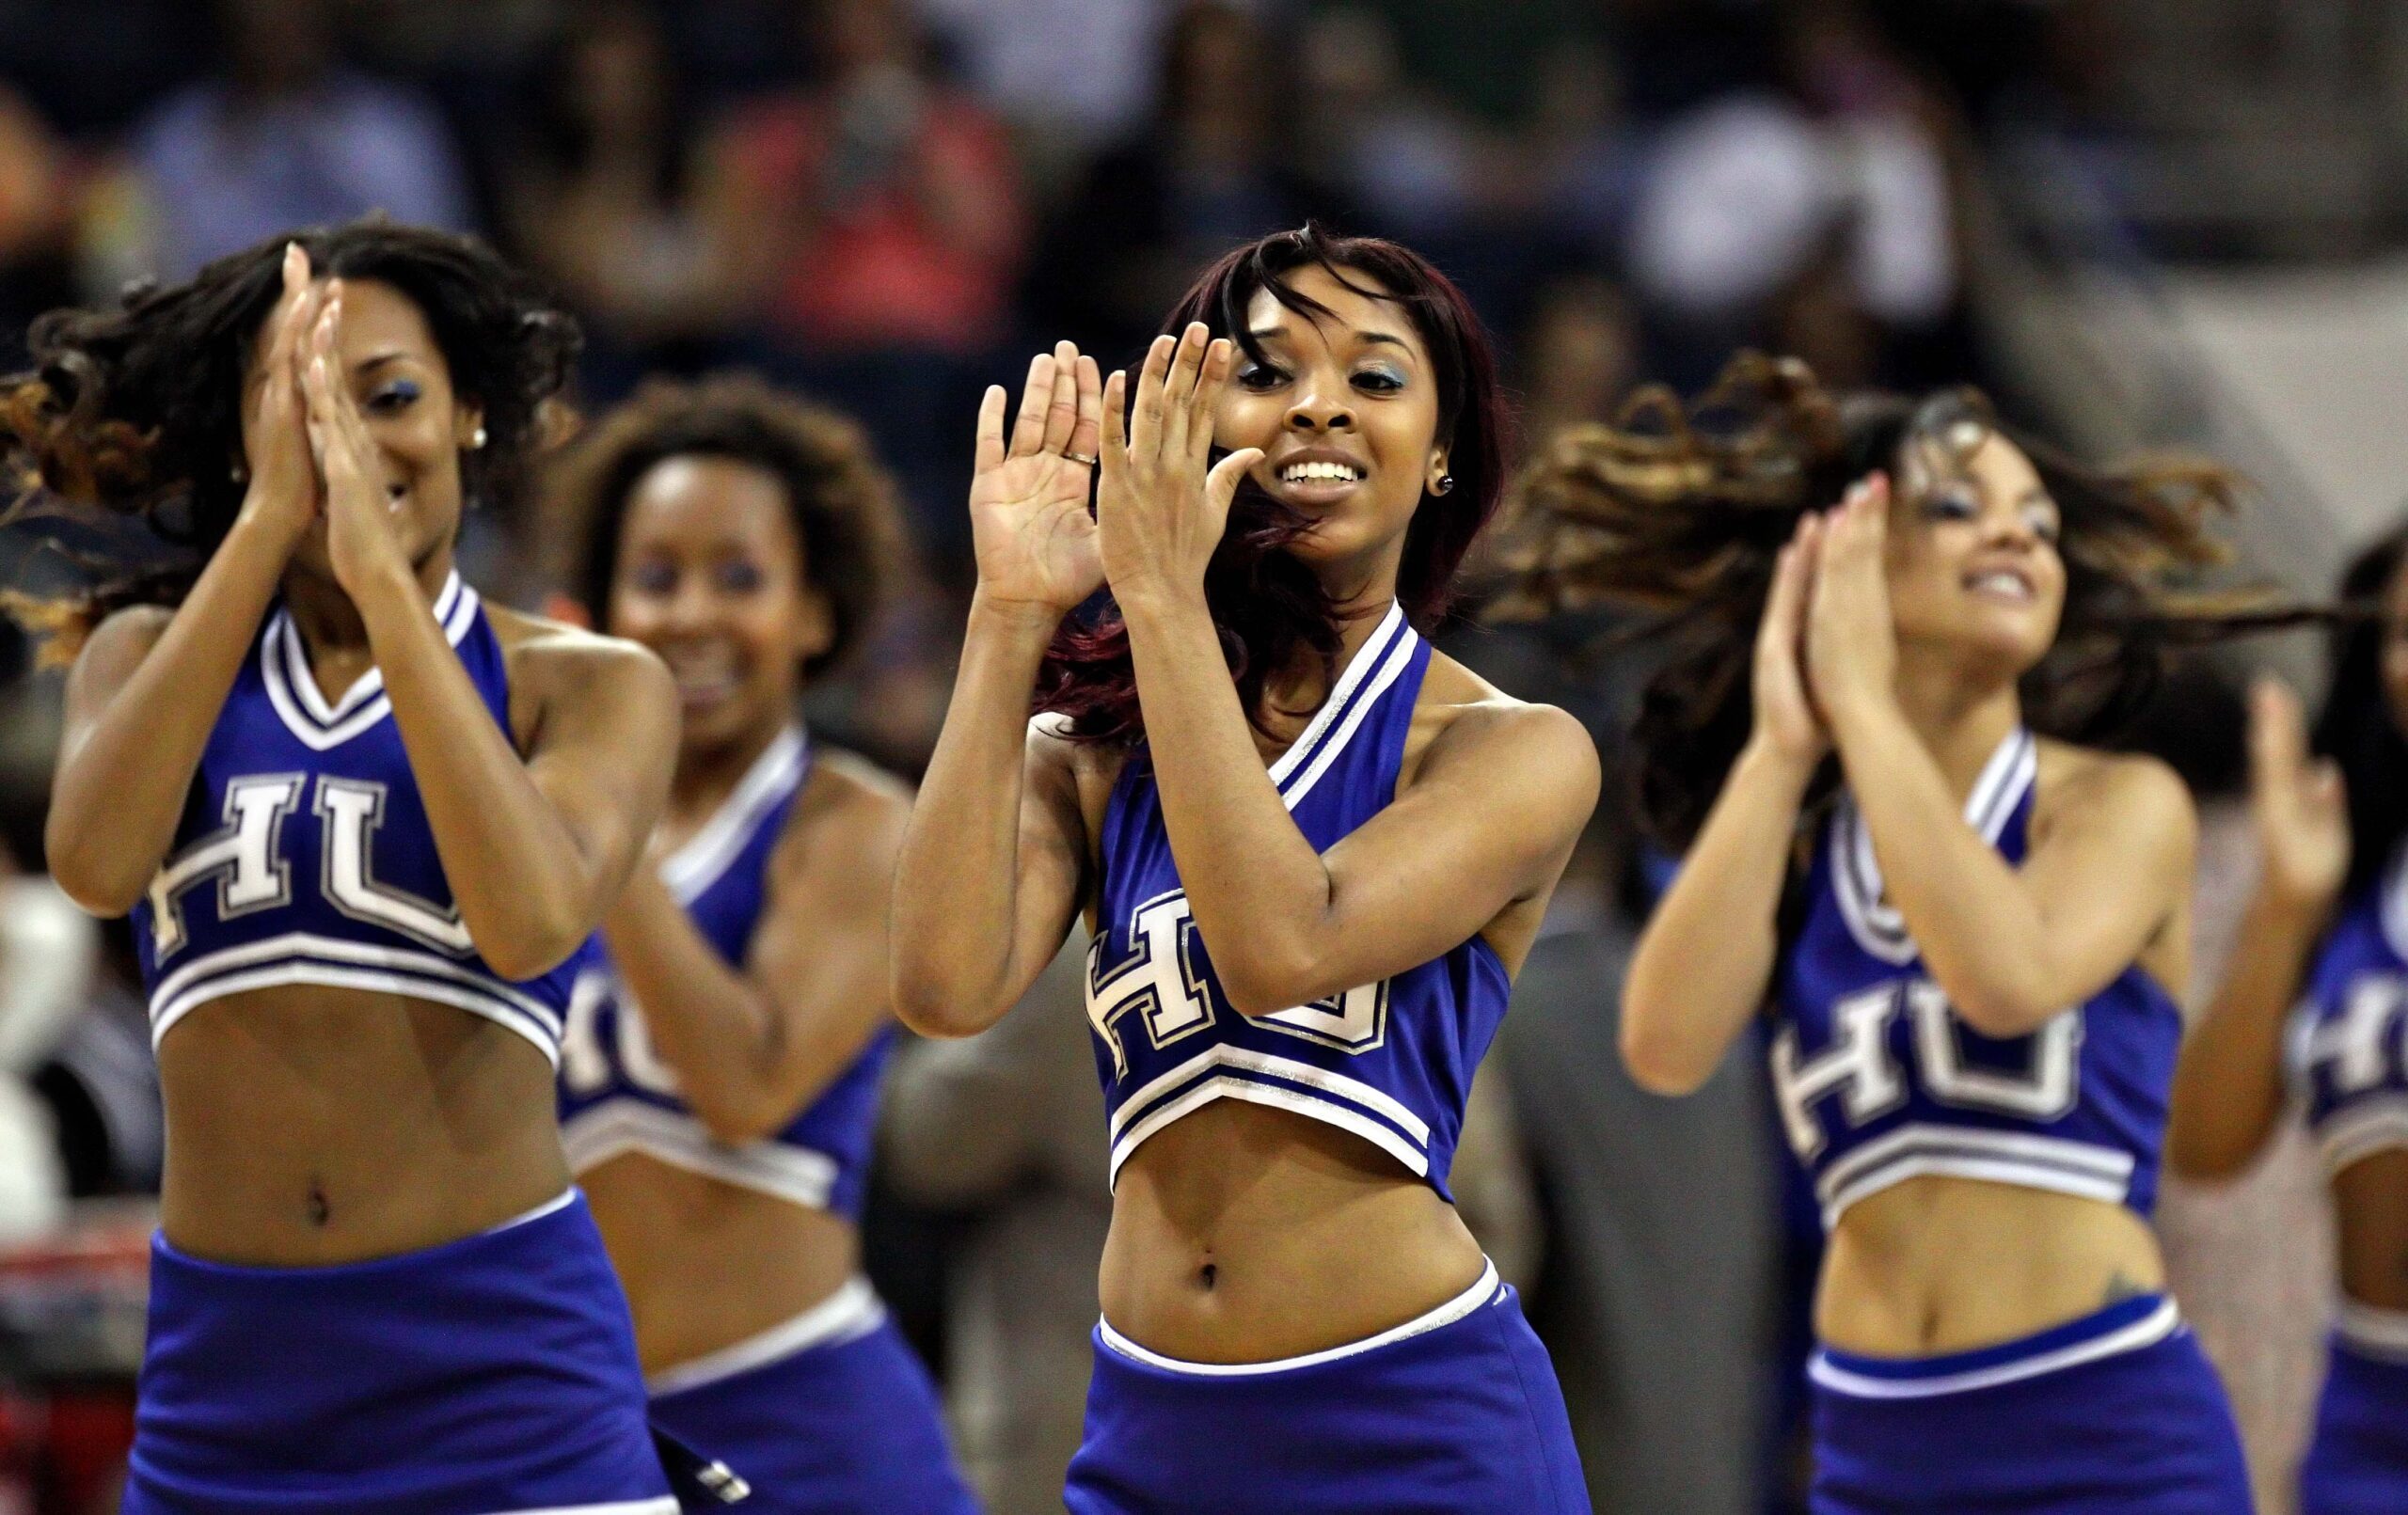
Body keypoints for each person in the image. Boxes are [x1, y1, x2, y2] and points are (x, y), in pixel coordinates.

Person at [891, 225, 1600, 1513]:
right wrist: (1009, 616)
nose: (1320, 401)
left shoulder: (1512, 750)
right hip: (1151, 1424)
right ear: (1195, 415)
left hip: (1411, 1415)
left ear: (1441, 456)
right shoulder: (1105, 748)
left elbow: (1284, 943)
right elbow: (942, 984)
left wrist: (1158, 594)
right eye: (1269, 369)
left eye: (1376, 377)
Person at [0, 223, 692, 1513]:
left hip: (502, 1377)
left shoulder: (584, 685)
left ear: (472, 414)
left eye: (388, 395)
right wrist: (271, 518)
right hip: (226, 1389)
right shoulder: (145, 655)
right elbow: (92, 865)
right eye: (295, 400)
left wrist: (387, 592)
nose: (348, 434)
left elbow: (534, 917)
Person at [1510, 354, 2256, 1512]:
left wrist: (1863, 703)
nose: (2016, 539)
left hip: (2098, 1425)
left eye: (2040, 525)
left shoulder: (2112, 804)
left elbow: (2008, 979)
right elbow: (1660, 1046)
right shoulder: (1810, 843)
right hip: (1876, 1442)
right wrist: (1782, 743)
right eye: (1960, 506)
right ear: (1843, 555)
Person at [549, 374, 977, 1513]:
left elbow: (744, 1087)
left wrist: (598, 824)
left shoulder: (860, 826)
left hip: (801, 1415)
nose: (691, 614)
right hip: (567, 1424)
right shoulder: (518, 831)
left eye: (739, 578)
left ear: (815, 611)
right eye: (655, 577)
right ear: (599, 609)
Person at [2169, 524, 2408, 1514]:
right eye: (2396, 635)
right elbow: (2206, 1144)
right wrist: (2283, 904)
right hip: (2361, 1417)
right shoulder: (2362, 883)